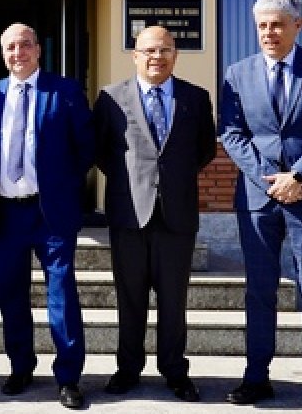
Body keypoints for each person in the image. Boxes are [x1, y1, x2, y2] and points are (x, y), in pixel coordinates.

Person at [219, 0, 302, 414]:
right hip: (259, 200)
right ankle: (257, 377)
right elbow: (232, 133)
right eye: (262, 25)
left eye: (277, 24)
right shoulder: (237, 74)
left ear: (297, 25)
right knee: (259, 292)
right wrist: (270, 180)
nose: (269, 32)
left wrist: (299, 176)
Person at [92, 25, 217, 403]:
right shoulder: (111, 98)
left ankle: (175, 371)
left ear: (175, 55)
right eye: (148, 50)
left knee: (174, 300)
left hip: (177, 216)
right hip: (129, 214)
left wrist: (171, 180)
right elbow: (101, 152)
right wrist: (136, 182)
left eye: (164, 50)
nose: (156, 57)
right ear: (135, 55)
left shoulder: (196, 98)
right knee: (129, 298)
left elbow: (205, 150)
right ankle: (128, 369)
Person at [0, 22, 93, 410]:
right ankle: (20, 366)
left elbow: (85, 148)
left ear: (39, 50)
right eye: (10, 47)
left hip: (50, 212)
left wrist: (62, 187)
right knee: (11, 295)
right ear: (3, 53)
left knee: (61, 295)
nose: (18, 53)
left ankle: (69, 377)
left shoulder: (65, 91)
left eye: (25, 45)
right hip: (6, 212)